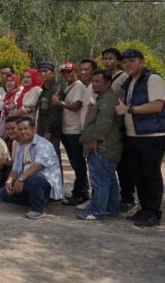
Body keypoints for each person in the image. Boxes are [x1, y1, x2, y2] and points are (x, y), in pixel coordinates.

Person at [115, 48, 165, 228]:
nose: (128, 64)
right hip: (133, 135)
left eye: (132, 61)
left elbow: (156, 106)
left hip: (152, 135)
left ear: (142, 62)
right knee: (137, 174)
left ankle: (154, 212)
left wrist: (129, 110)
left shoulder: (153, 79)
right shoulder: (130, 81)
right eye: (125, 62)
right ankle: (144, 208)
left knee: (151, 174)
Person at [78, 70, 123, 221]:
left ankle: (97, 211)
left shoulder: (108, 99)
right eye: (93, 81)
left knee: (100, 182)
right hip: (105, 147)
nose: (94, 84)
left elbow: (104, 122)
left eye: (98, 81)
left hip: (103, 148)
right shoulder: (103, 98)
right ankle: (111, 208)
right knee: (108, 180)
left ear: (108, 83)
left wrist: (94, 140)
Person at [0, 116, 64, 219]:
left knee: (34, 179)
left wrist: (21, 178)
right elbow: (15, 168)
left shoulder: (44, 144)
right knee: (3, 194)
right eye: (20, 129)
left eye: (25, 128)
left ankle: (38, 209)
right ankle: (37, 199)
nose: (22, 132)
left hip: (43, 183)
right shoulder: (20, 145)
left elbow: (37, 166)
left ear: (34, 129)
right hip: (26, 181)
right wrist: (9, 181)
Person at [52, 61, 89, 206]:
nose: (67, 75)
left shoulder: (79, 86)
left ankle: (81, 193)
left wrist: (59, 102)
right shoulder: (68, 86)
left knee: (78, 164)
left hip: (74, 130)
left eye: (70, 72)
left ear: (76, 72)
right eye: (65, 73)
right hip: (67, 129)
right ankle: (80, 192)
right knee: (76, 164)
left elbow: (76, 106)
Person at [101, 47, 134, 210]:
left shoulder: (124, 78)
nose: (108, 62)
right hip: (109, 124)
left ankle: (128, 198)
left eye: (111, 58)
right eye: (105, 59)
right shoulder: (104, 77)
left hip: (121, 124)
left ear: (118, 61)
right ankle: (112, 198)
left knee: (124, 164)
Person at [35, 62, 63, 169]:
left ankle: (57, 185)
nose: (43, 74)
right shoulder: (44, 89)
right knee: (44, 160)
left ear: (53, 73)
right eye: (40, 72)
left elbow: (55, 112)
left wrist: (48, 130)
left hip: (51, 132)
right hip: (41, 129)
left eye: (45, 71)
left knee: (53, 160)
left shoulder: (56, 88)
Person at [0, 73, 23, 137]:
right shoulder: (7, 94)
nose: (9, 83)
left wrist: (14, 105)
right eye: (7, 81)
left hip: (18, 123)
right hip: (7, 122)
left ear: (16, 81)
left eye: (11, 81)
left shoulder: (21, 92)